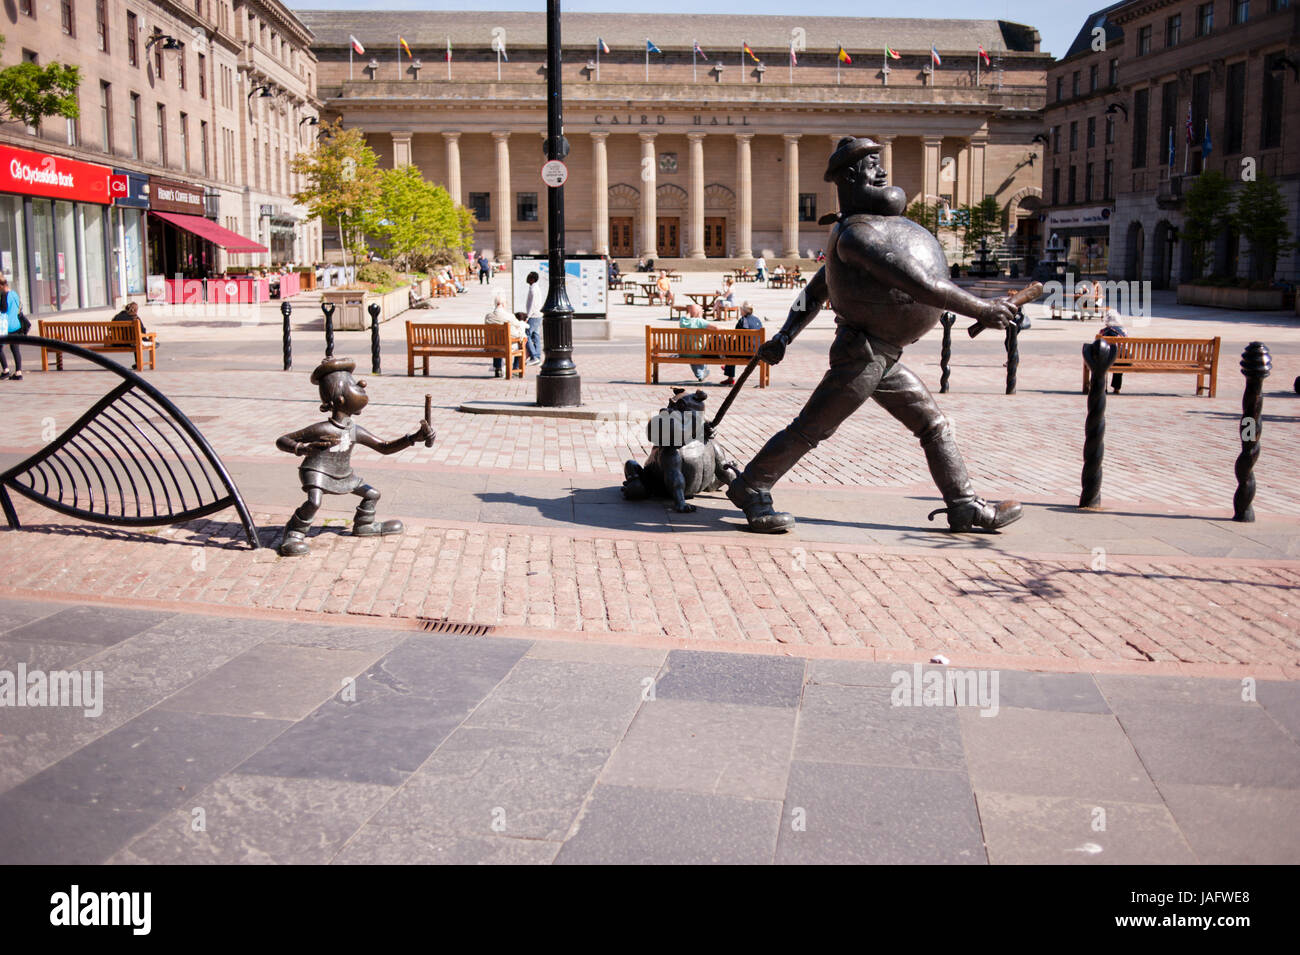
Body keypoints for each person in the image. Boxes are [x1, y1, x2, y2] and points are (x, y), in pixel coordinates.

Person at [724, 136, 1022, 535]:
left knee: (932, 424)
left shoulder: (855, 230)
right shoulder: (857, 236)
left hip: (880, 356)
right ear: (849, 175)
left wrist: (784, 336)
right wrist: (983, 309)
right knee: (811, 429)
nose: (882, 173)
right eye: (871, 166)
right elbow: (922, 284)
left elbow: (812, 294)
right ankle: (751, 486)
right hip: (863, 354)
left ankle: (965, 507)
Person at [274, 357, 433, 557]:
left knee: (372, 494)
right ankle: (294, 532)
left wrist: (413, 438)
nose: (362, 384)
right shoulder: (322, 428)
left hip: (342, 473)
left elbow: (383, 447)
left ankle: (364, 524)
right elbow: (282, 440)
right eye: (351, 384)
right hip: (317, 471)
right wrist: (302, 448)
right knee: (314, 502)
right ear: (339, 399)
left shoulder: (353, 429)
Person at [485, 291, 527, 377]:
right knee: (522, 341)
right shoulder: (509, 316)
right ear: (504, 304)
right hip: (507, 346)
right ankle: (515, 368)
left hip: (492, 346)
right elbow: (518, 326)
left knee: (496, 340)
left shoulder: (488, 316)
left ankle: (498, 368)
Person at [720, 301, 763, 386]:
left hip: (745, 352)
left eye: (741, 309)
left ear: (744, 311)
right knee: (732, 349)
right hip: (757, 352)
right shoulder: (758, 320)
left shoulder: (743, 320)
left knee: (730, 351)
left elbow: (736, 335)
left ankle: (730, 377)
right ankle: (727, 368)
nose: (740, 311)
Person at [677, 303, 718, 382]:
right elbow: (715, 328)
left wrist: (690, 311)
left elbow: (687, 318)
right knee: (699, 351)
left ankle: (700, 373)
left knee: (691, 352)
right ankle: (701, 373)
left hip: (683, 352)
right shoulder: (700, 321)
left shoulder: (682, 321)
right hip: (698, 352)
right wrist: (700, 316)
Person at [0, 274, 27, 381]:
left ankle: (5, 370)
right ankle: (18, 372)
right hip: (16, 325)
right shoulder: (14, 294)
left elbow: (3, 309)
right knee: (15, 349)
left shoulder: (3, 295)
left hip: (6, 326)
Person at [523, 271, 543, 365]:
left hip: (533, 315)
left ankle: (534, 356)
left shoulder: (533, 289)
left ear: (532, 279)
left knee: (527, 335)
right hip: (538, 315)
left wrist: (528, 316)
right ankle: (538, 357)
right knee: (536, 335)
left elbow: (532, 304)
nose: (527, 278)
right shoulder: (536, 288)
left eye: (529, 277)